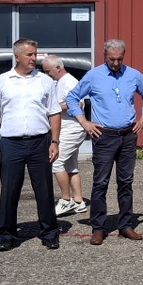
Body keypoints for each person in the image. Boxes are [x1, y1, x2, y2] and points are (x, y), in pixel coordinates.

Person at [65, 39, 143, 245]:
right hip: (104, 136)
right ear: (105, 55)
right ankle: (98, 227)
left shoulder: (133, 75)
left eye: (119, 59)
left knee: (126, 182)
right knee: (100, 182)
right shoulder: (93, 76)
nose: (115, 63)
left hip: (127, 136)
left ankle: (125, 225)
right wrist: (84, 122)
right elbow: (72, 98)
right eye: (112, 59)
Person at [0, 38, 62, 251]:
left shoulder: (45, 81)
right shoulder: (2, 81)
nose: (34, 58)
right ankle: (7, 236)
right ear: (17, 56)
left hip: (40, 142)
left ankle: (50, 233)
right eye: (29, 54)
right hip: (11, 144)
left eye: (35, 54)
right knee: (9, 191)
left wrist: (55, 141)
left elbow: (54, 112)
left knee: (44, 190)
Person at [40, 55, 88, 218]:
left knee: (56, 162)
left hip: (72, 129)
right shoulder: (60, 82)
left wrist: (52, 107)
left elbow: (78, 104)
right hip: (66, 129)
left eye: (48, 71)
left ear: (58, 68)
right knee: (70, 165)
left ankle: (66, 199)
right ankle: (79, 201)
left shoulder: (69, 82)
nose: (46, 74)